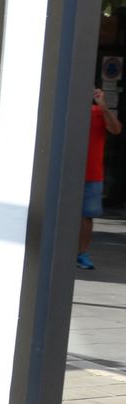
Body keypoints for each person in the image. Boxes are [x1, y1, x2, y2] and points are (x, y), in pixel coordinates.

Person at [79, 86, 123, 270]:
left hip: (92, 174)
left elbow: (116, 129)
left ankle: (81, 254)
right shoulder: (68, 112)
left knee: (87, 217)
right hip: (68, 174)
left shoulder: (98, 112)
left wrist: (104, 107)